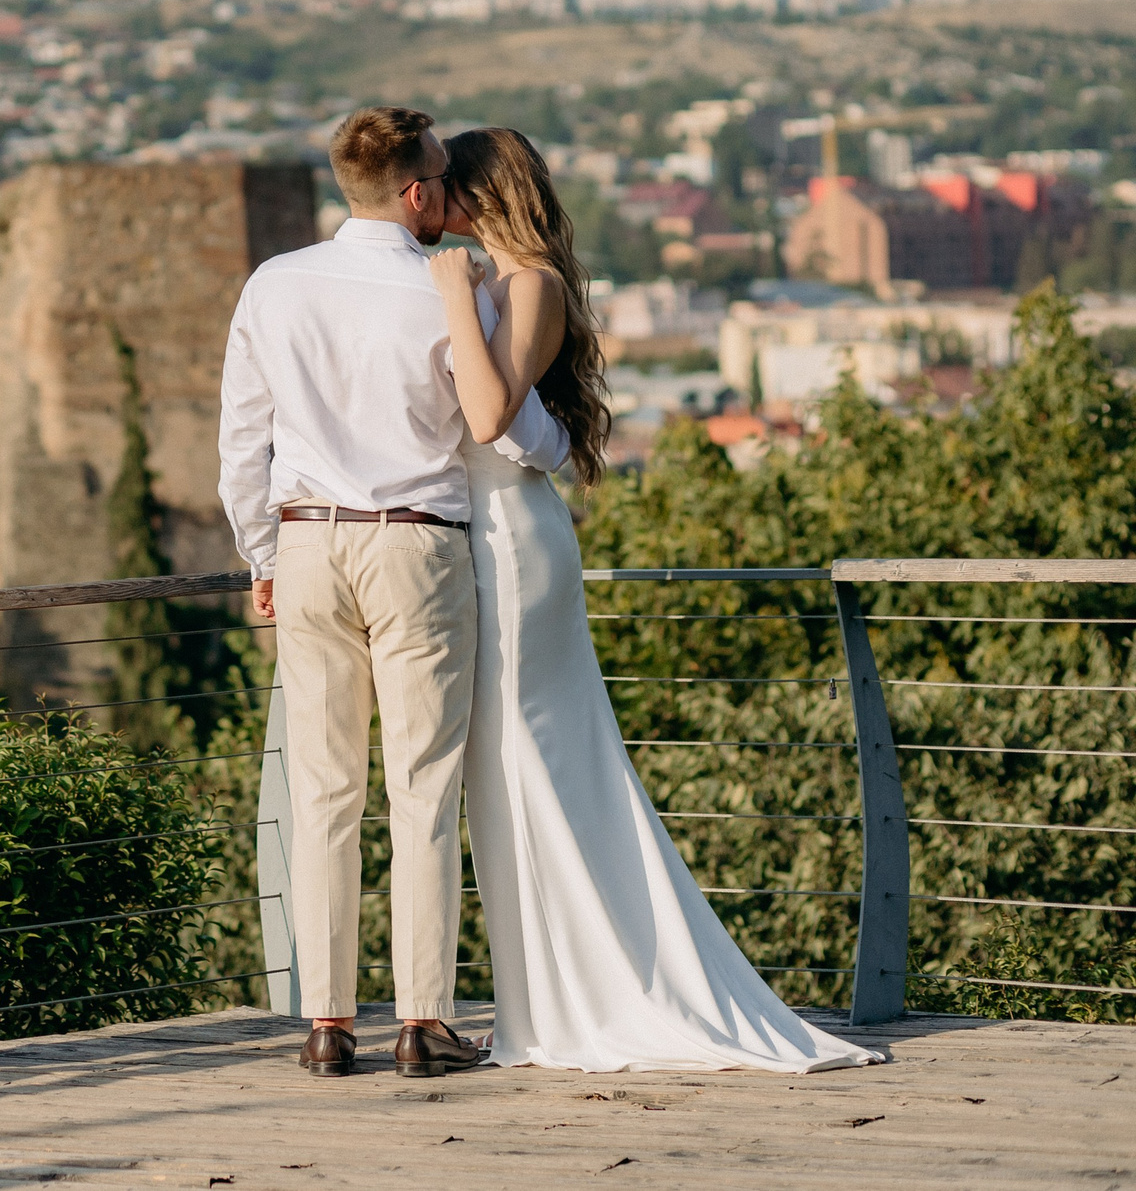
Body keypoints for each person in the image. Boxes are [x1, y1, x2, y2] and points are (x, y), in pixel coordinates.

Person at [429, 125, 879, 1074]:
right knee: (505, 777)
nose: (433, 202)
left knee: (531, 764)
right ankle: (542, 1005)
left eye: (445, 186)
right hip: (490, 537)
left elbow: (486, 416)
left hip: (514, 546)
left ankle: (581, 1001)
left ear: (480, 193)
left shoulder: (528, 285)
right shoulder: (496, 283)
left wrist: (451, 302)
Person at [218, 106, 568, 1078]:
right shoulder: (444, 294)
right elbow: (502, 429)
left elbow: (242, 443)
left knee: (322, 789)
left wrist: (261, 559)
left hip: (305, 547)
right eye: (443, 183)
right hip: (414, 544)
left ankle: (326, 1025)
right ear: (417, 192)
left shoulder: (273, 286)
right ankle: (421, 1021)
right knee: (422, 789)